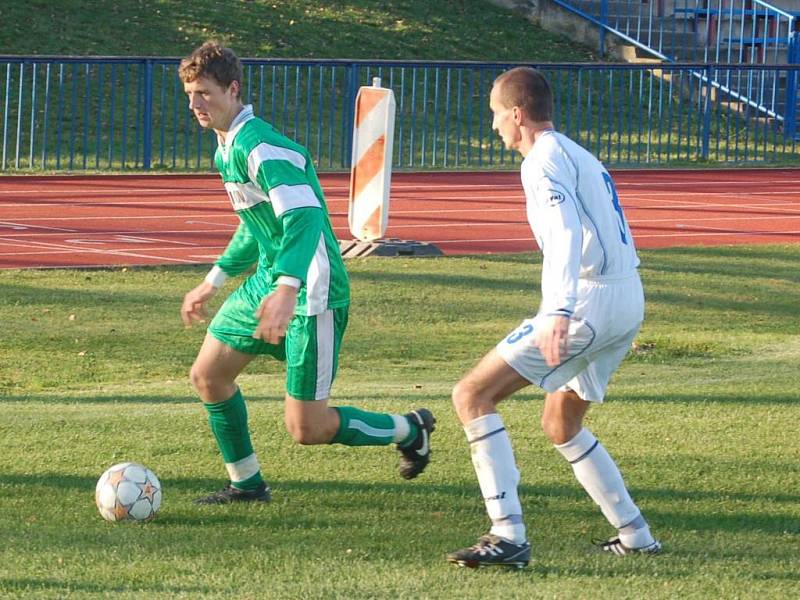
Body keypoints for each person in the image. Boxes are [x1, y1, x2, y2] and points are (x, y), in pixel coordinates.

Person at [178, 41, 434, 505]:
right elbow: (257, 227)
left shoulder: (260, 146)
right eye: (190, 94)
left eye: (205, 93)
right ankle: (247, 485)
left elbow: (305, 218)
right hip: (270, 283)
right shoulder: (226, 149)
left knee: (307, 428)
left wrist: (288, 290)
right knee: (208, 376)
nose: (196, 104)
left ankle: (410, 429)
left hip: (312, 291)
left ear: (233, 90)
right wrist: (212, 280)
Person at [446, 67, 661, 568]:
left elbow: (565, 234)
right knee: (560, 421)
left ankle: (508, 535)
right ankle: (636, 534)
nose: (494, 125)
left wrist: (558, 310)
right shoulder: (575, 152)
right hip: (627, 295)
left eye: (497, 115)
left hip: (588, 301)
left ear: (517, 114)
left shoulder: (540, 162)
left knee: (472, 395)